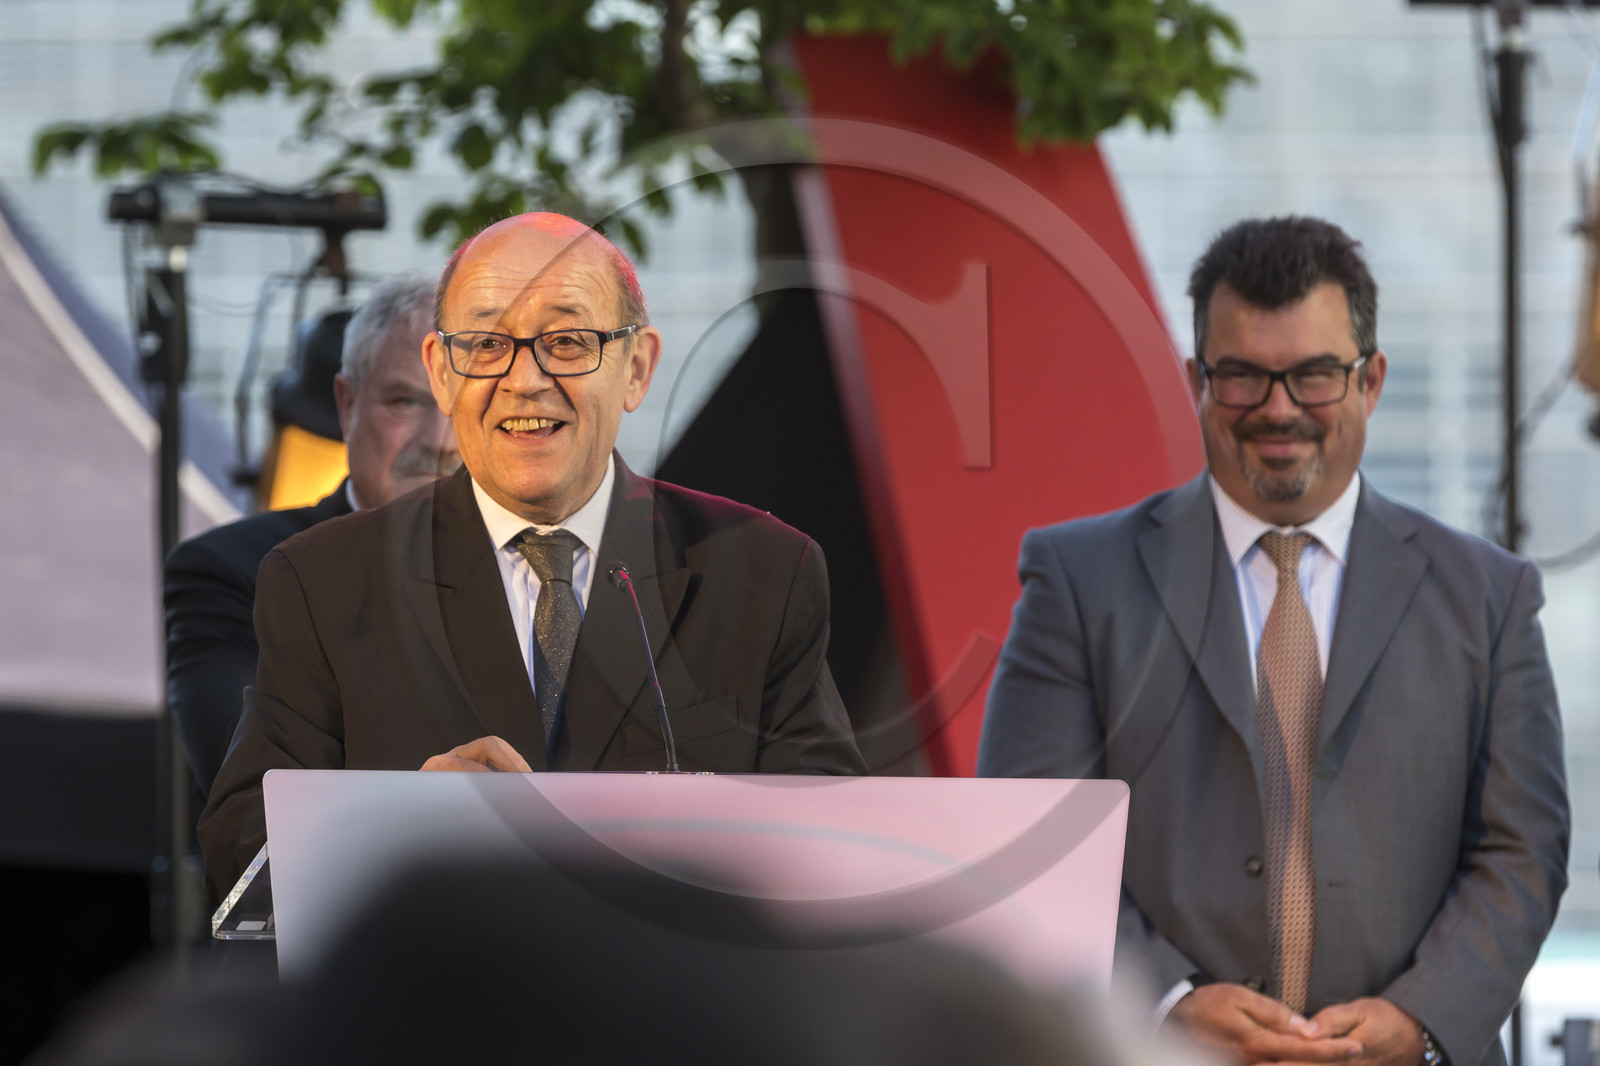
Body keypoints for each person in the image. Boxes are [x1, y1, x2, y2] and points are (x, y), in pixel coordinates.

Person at [978, 217, 1568, 1066]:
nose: (1279, 408)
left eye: (1315, 375)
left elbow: (1524, 851)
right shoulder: (1077, 581)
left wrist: (1423, 1021)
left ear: (1371, 380)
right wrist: (1165, 1004)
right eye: (1244, 376)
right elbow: (1029, 838)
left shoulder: (1490, 596)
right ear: (1197, 381)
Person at [198, 212, 865, 901]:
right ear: (443, 373)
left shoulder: (759, 573)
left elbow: (832, 840)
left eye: (568, 341)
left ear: (636, 368)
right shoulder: (324, 582)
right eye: (486, 344)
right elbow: (240, 848)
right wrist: (393, 822)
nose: (524, 379)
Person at [164, 275, 458, 797]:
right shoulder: (231, 570)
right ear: (347, 405)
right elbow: (261, 785)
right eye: (407, 402)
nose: (440, 441)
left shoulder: (552, 573)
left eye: (463, 408)